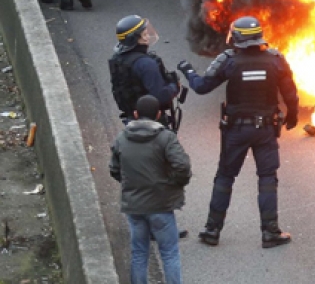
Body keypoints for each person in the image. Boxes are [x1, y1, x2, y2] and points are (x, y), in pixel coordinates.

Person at [177, 16, 299, 248]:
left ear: (237, 37)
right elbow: (290, 93)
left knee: (225, 177)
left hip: (236, 131)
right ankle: (270, 232)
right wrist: (292, 116)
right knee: (267, 179)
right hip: (265, 130)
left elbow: (202, 87)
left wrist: (188, 70)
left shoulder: (228, 60)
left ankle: (212, 230)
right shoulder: (275, 59)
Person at [109, 94, 191, 284]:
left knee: (139, 253)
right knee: (169, 253)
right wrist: (173, 184)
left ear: (136, 114)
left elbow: (114, 169)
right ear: (158, 114)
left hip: (135, 207)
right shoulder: (166, 138)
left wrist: (131, 184)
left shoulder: (122, 138)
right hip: (161, 205)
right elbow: (183, 167)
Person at [110, 15, 185, 131]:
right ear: (133, 39)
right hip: (152, 124)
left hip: (131, 120)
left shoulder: (117, 59)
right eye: (144, 35)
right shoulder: (146, 64)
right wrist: (174, 86)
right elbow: (161, 96)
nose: (147, 38)